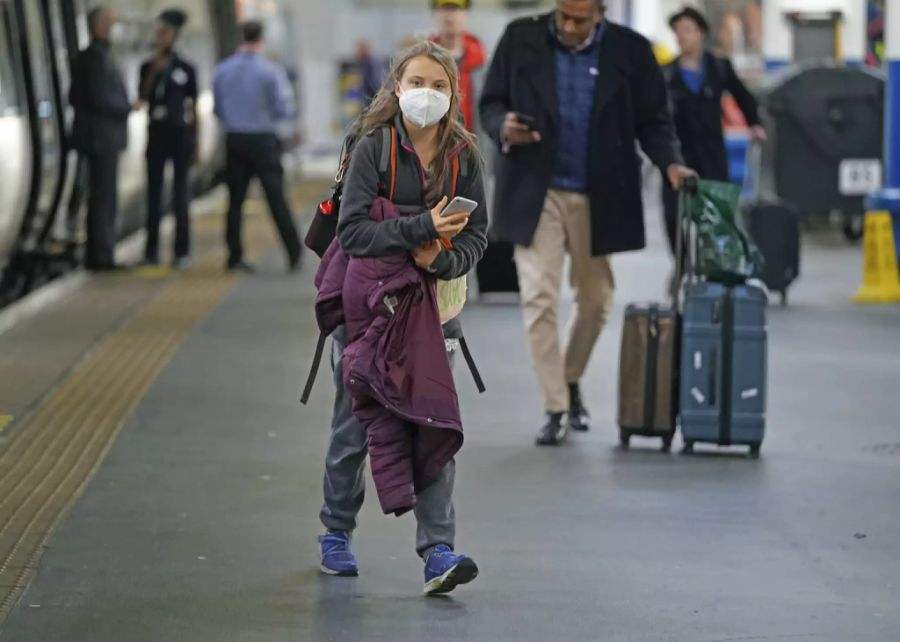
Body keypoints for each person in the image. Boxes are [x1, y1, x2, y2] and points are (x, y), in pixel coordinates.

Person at [479, 0, 693, 446]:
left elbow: (654, 120)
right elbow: (491, 102)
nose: (570, 27)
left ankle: (569, 377)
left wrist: (671, 165)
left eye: (581, 20)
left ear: (600, 14)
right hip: (536, 189)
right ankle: (555, 405)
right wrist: (504, 126)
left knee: (596, 301)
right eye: (563, 18)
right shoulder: (521, 38)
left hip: (600, 191)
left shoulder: (631, 52)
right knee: (539, 294)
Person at [317, 41, 487, 596]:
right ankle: (336, 531)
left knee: (433, 421)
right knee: (354, 427)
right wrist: (421, 230)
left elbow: (478, 237)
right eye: (417, 82)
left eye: (439, 86)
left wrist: (442, 258)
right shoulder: (374, 147)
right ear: (396, 87)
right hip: (365, 311)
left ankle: (438, 551)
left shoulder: (463, 155)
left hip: (435, 314)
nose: (427, 94)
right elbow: (352, 233)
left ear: (453, 94)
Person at [661, 7, 765, 259]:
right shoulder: (666, 74)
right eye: (678, 32)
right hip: (678, 155)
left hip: (711, 155)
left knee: (718, 216)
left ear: (700, 33)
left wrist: (755, 123)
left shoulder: (718, 67)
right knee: (674, 217)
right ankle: (682, 269)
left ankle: (716, 266)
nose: (682, 37)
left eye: (688, 30)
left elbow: (742, 95)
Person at [212, 20, 302, 272]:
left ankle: (233, 256)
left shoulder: (223, 69)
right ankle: (293, 253)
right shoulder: (270, 71)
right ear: (261, 39)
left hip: (235, 140)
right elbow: (283, 109)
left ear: (241, 37)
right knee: (276, 198)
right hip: (263, 140)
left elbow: (218, 108)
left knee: (235, 200)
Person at [69, 6, 131, 272]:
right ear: (98, 26)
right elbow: (99, 97)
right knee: (104, 198)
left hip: (100, 138)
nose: (113, 26)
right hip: (100, 139)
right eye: (109, 22)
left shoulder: (95, 56)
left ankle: (100, 252)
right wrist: (127, 107)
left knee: (101, 197)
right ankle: (101, 256)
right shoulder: (94, 59)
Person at [137, 9, 198, 269]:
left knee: (180, 194)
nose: (161, 38)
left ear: (174, 38)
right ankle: (151, 251)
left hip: (180, 134)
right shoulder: (146, 67)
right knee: (153, 193)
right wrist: (154, 72)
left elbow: (193, 107)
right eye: (158, 34)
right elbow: (141, 97)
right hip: (156, 133)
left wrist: (195, 141)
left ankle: (181, 251)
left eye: (166, 34)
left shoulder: (186, 69)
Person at [429, 0, 485, 131]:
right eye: (444, 9)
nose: (449, 16)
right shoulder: (422, 62)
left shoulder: (482, 64)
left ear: (466, 14)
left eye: (455, 9)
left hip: (472, 146)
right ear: (435, 14)